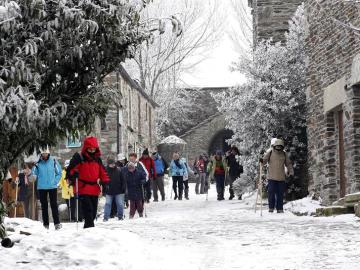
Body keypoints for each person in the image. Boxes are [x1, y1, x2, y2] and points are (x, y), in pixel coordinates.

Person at [67, 136, 110, 228]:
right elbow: (70, 170)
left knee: (93, 212)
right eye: (90, 149)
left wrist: (105, 183)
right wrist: (74, 174)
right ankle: (90, 230)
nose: (92, 151)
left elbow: (103, 172)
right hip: (83, 188)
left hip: (94, 189)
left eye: (94, 149)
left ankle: (87, 229)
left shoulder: (97, 159)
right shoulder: (79, 157)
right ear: (86, 148)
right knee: (88, 210)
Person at [31, 147, 62, 229]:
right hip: (41, 187)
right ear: (41, 154)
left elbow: (59, 173)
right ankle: (46, 224)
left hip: (52, 187)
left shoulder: (54, 161)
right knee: (44, 206)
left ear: (48, 153)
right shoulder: (38, 163)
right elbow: (33, 173)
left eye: (46, 153)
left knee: (54, 205)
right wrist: (32, 176)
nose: (45, 155)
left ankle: (57, 223)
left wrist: (55, 181)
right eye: (43, 153)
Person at [260, 138, 294, 213]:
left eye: (280, 146)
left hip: (281, 178)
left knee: (280, 194)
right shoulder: (270, 152)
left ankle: (280, 209)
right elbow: (264, 161)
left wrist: (291, 172)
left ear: (282, 147)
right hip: (271, 177)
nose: (278, 148)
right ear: (274, 146)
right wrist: (262, 161)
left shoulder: (284, 154)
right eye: (277, 146)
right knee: (271, 193)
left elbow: (288, 164)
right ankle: (271, 208)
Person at [103, 157, 126, 221]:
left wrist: (123, 188)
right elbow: (103, 181)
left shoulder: (119, 170)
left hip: (118, 191)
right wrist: (104, 188)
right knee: (108, 204)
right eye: (111, 164)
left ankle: (120, 216)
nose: (113, 165)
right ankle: (105, 217)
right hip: (109, 191)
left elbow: (123, 180)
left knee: (120, 204)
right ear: (108, 164)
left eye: (113, 163)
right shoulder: (105, 170)